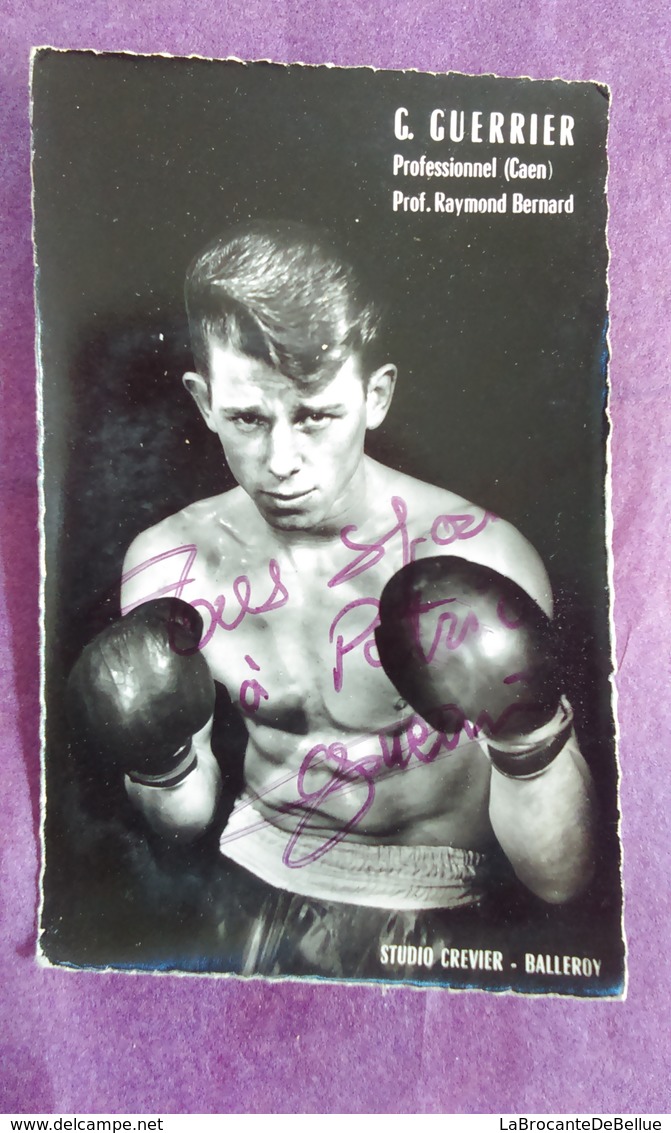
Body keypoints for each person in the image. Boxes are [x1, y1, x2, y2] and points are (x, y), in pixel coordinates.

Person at [71, 221, 595, 979]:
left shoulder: (478, 552)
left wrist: (528, 736)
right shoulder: (169, 564)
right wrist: (161, 764)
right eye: (249, 417)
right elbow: (181, 829)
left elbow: (560, 878)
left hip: (443, 900)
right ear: (204, 400)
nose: (282, 461)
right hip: (253, 873)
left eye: (315, 414)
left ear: (374, 396)